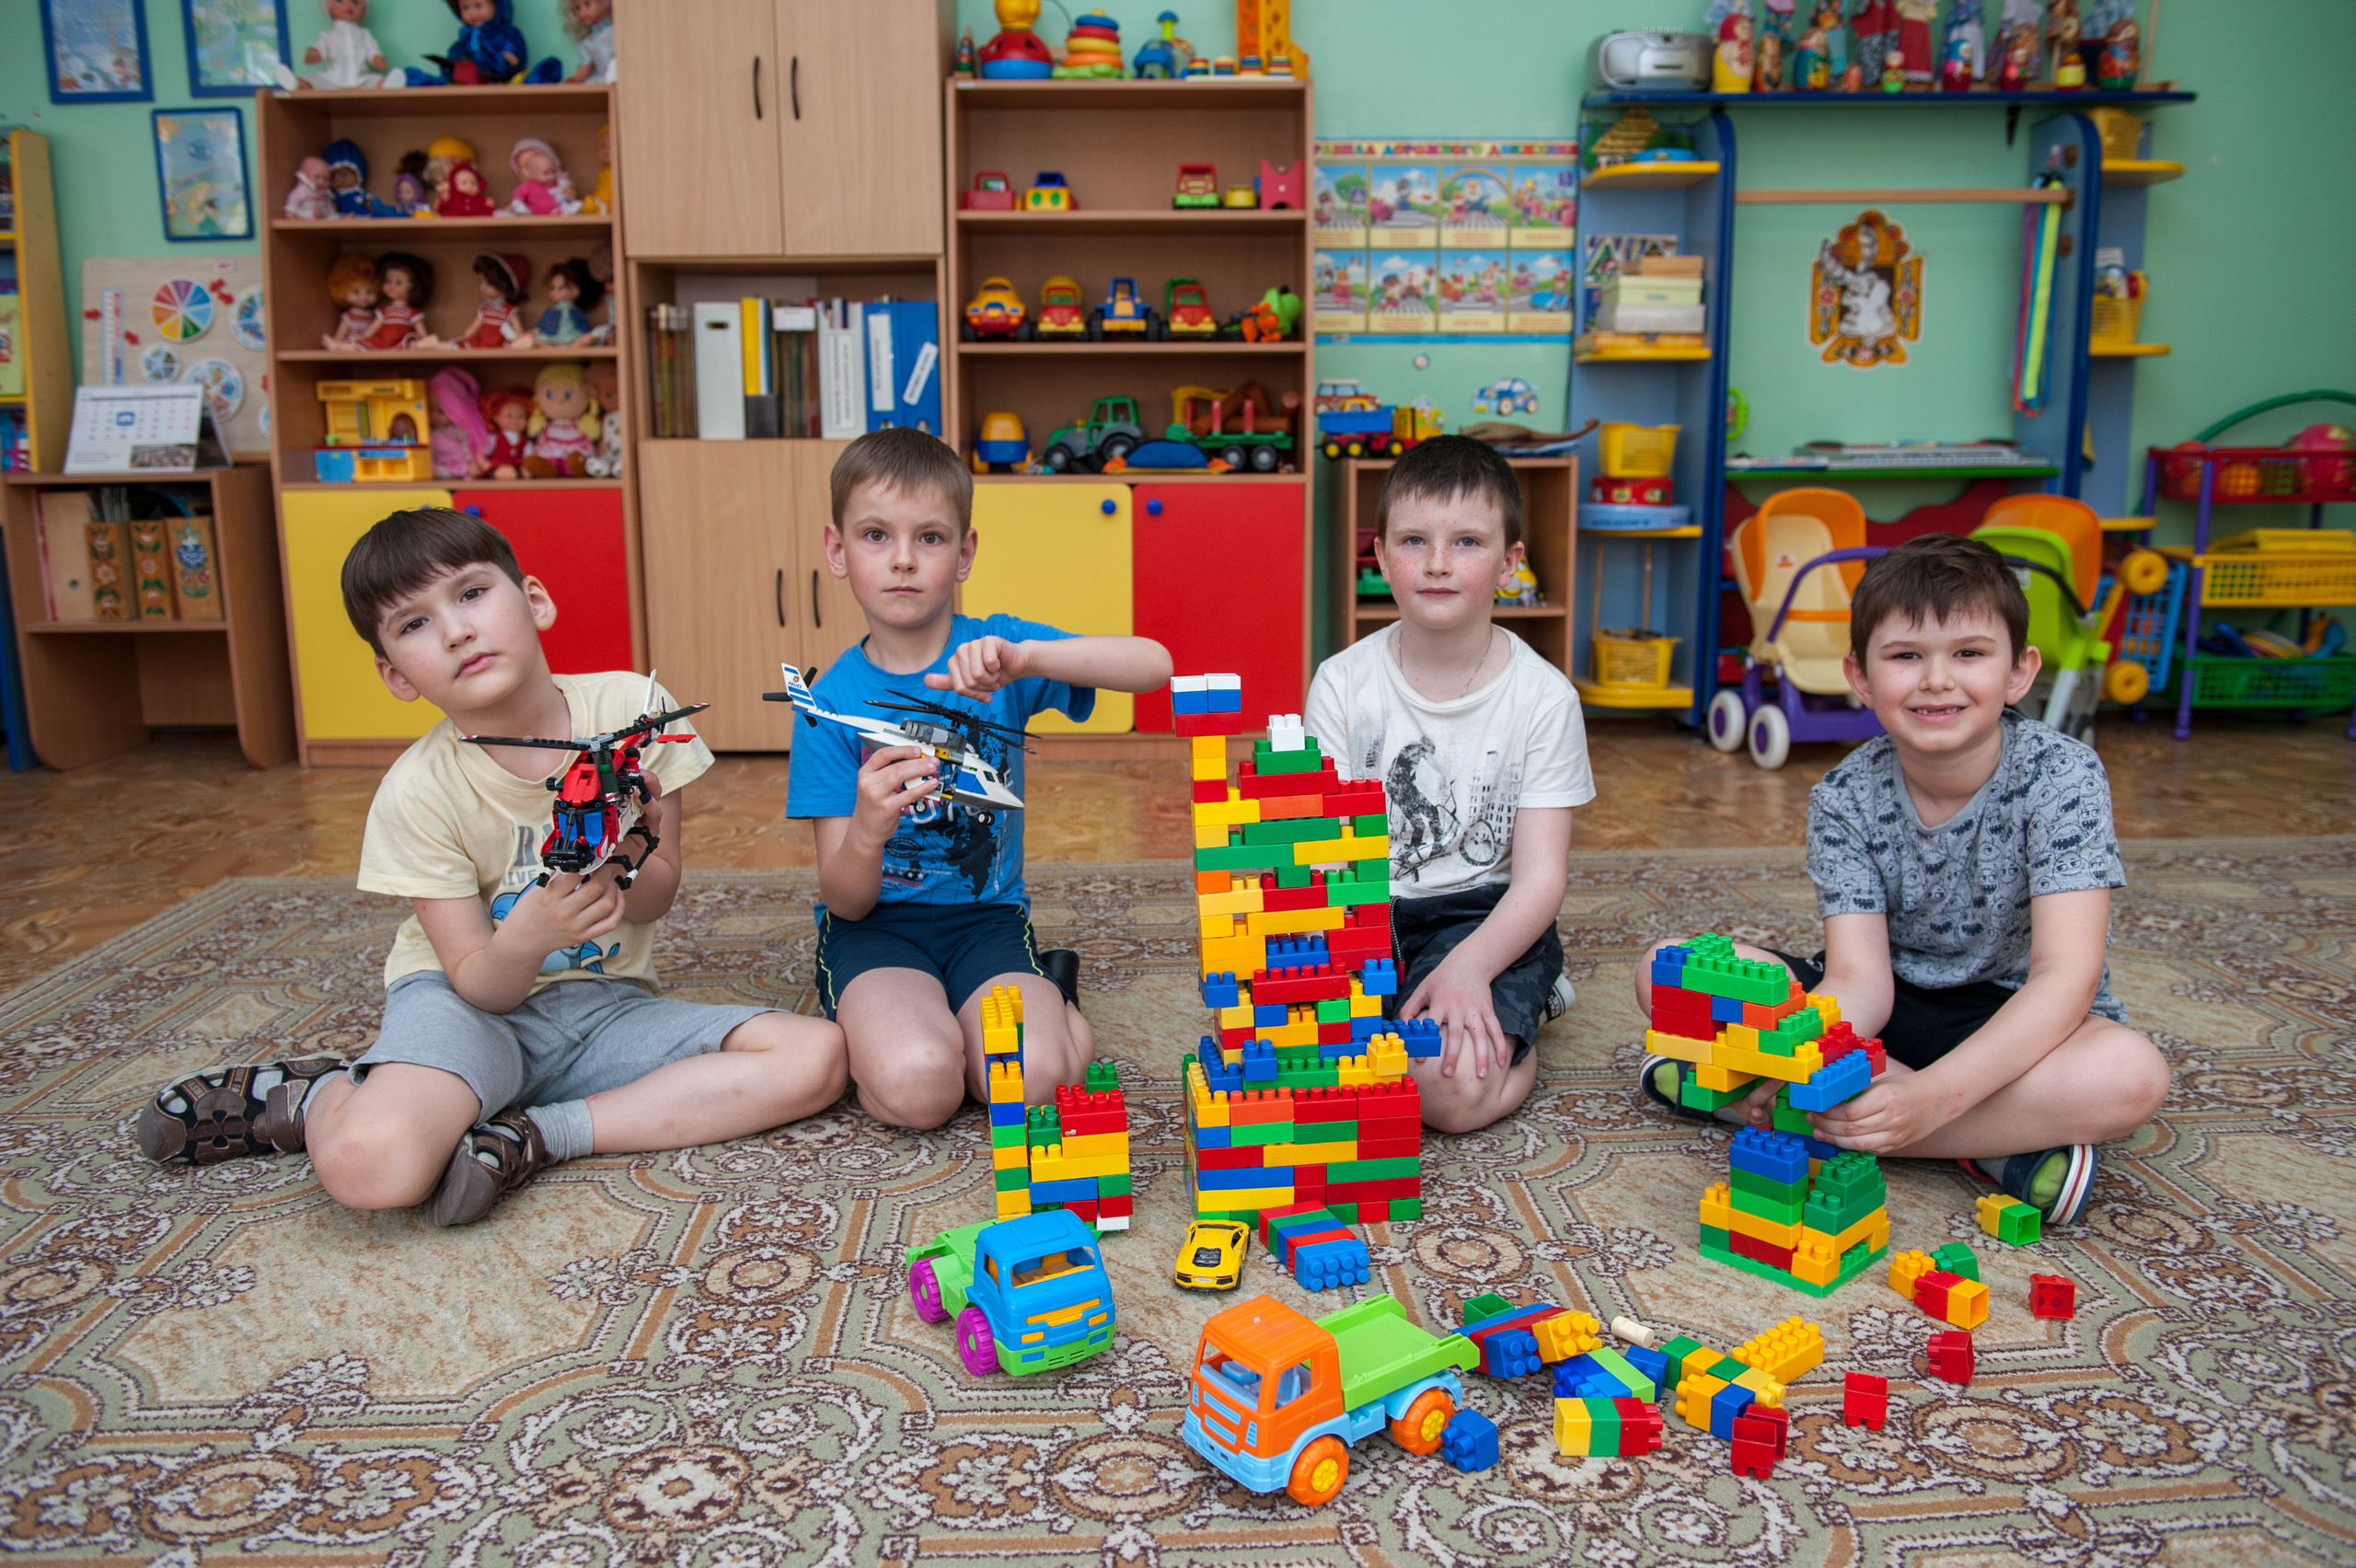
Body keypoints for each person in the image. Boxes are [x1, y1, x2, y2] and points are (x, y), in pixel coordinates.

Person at [134, 510, 847, 1225]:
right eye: (414, 624)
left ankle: (535, 1135)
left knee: (814, 1057)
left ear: (534, 600)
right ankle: (313, 1096)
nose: (455, 630)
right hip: (467, 1002)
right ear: (394, 675)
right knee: (371, 1165)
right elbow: (481, 980)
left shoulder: (634, 710)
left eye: (472, 593)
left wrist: (634, 853)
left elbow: (655, 900)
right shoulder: (416, 792)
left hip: (605, 1007)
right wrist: (528, 937)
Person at [1634, 533, 2169, 1225]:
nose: (1937, 680)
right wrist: (1793, 1055)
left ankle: (1782, 1111)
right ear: (1860, 676)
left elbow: (2065, 976)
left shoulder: (2063, 776)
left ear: (2019, 672)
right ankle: (1993, 1146)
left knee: (2132, 1077)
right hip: (1883, 1010)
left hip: (2013, 1016)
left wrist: (1932, 1099)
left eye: (1970, 654)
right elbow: (1861, 982)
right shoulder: (1844, 795)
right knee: (1665, 971)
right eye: (1906, 656)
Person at [786, 429, 1172, 1131]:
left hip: (987, 922)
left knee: (1030, 1084)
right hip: (875, 934)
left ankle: (1057, 1004)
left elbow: (1154, 665)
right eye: (876, 535)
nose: (903, 559)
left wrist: (1027, 658)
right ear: (837, 552)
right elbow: (843, 900)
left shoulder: (999, 652)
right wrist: (869, 830)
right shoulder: (829, 704)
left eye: (930, 538)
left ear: (964, 554)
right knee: (920, 1087)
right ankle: (916, 1033)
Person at [1304, 436, 1592, 1134]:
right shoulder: (1342, 683)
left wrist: (1470, 967)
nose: (1436, 563)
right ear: (1378, 557)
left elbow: (1539, 880)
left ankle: (1527, 1008)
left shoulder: (1545, 700)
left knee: (1447, 1092)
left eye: (1466, 542)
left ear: (1510, 563)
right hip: (1365, 914)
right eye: (1413, 540)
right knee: (1308, 1061)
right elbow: (1324, 851)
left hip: (1482, 915)